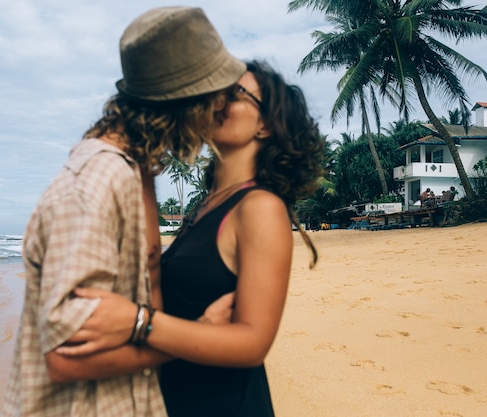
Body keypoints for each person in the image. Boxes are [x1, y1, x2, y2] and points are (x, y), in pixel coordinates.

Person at [0, 6, 246, 417]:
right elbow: (65, 356)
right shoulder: (97, 182)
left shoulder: (138, 170)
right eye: (216, 92)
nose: (222, 105)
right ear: (185, 100)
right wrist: (195, 336)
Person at [56, 60, 325, 417]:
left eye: (235, 95)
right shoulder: (206, 207)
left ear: (265, 125)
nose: (216, 102)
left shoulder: (260, 207)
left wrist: (139, 322)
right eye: (217, 93)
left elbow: (253, 344)